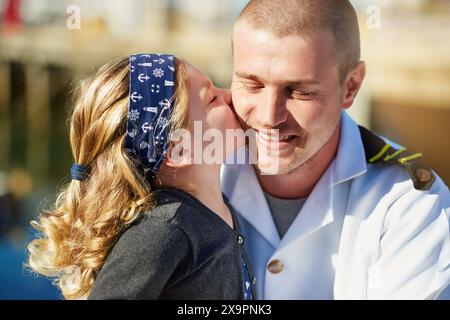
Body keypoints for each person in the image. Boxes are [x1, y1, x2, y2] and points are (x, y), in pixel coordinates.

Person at [221, 0, 450, 299]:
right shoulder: (189, 172)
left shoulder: (411, 203)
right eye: (252, 85)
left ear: (351, 86)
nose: (268, 116)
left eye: (299, 91)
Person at [27, 53, 255, 300]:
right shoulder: (163, 230)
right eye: (212, 98)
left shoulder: (218, 202)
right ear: (178, 149)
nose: (230, 95)